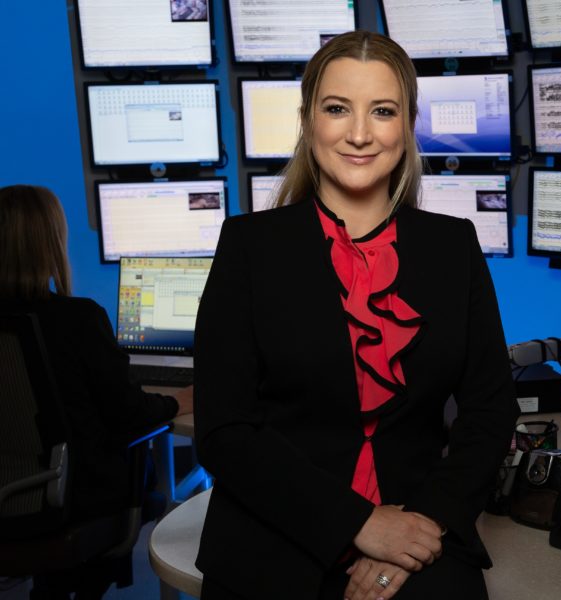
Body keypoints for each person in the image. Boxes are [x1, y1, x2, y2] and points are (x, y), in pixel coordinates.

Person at [193, 30, 519, 600]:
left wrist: (425, 526)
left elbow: (490, 411)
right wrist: (361, 524)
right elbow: (225, 430)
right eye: (338, 108)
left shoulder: (454, 246)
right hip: (274, 544)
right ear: (308, 120)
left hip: (420, 536)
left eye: (384, 111)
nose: (361, 133)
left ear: (408, 124)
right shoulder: (248, 246)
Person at [0, 184, 193, 595]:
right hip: (69, 500)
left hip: (10, 492)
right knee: (153, 483)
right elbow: (128, 416)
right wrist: (178, 400)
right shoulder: (77, 320)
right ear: (50, 243)